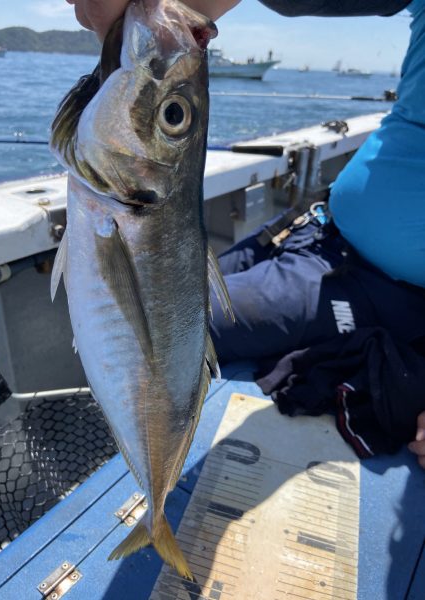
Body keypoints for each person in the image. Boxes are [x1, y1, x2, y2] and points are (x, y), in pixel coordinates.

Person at [66, 0, 425, 467]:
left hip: (389, 289)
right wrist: (187, 9)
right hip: (316, 231)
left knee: (194, 325)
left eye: (172, 115)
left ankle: (141, 468)